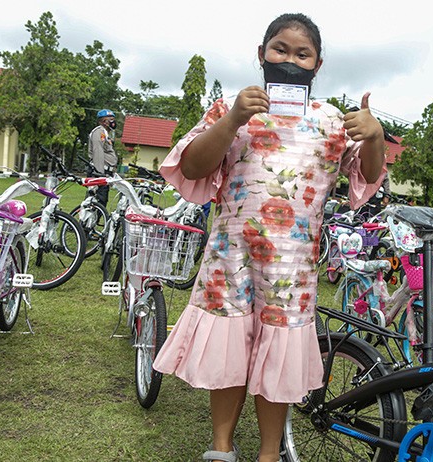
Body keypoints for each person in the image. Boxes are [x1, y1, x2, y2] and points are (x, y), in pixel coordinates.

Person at [151, 13, 386, 462]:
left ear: (318, 65)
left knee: (277, 357)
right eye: (281, 49)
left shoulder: (332, 121)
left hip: (292, 269)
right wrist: (234, 118)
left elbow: (368, 174)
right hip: (230, 258)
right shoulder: (230, 108)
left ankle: (269, 454)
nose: (290, 61)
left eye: (303, 54)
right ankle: (221, 447)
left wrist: (374, 136)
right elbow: (193, 167)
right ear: (261, 54)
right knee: (229, 353)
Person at [88, 108, 118, 207]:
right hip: (100, 172)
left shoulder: (106, 133)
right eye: (111, 119)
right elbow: (98, 153)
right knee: (98, 201)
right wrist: (100, 173)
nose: (113, 122)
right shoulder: (99, 132)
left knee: (102, 200)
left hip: (105, 172)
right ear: (104, 122)